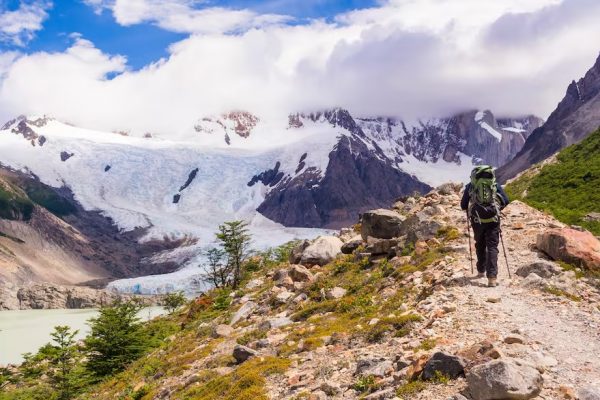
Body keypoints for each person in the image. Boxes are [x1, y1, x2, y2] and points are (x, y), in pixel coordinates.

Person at [460, 166, 509, 287]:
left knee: (480, 244)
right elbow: (506, 200)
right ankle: (492, 278)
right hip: (493, 219)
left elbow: (463, 205)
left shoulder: (471, 186)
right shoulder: (494, 184)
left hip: (477, 220)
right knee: (492, 247)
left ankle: (481, 270)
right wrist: (496, 208)